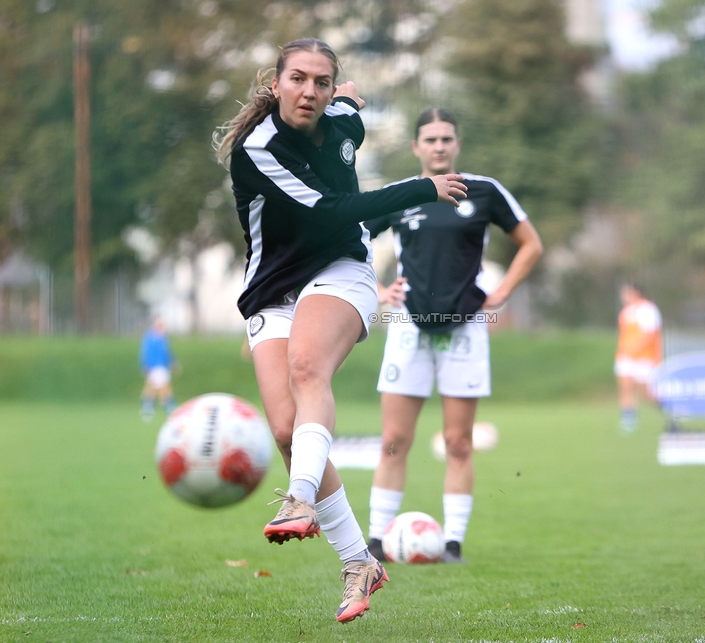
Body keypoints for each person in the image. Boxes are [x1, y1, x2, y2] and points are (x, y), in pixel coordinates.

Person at [214, 39, 468, 623]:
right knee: (285, 428)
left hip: (342, 271)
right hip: (272, 288)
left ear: (334, 91)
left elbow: (344, 211)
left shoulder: (345, 118)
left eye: (322, 83)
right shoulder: (258, 149)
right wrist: (421, 186)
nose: (309, 91)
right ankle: (360, 561)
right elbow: (330, 209)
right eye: (297, 79)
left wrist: (349, 99)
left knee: (308, 367)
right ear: (275, 84)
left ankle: (300, 496)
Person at [362, 108, 543, 564]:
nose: (439, 146)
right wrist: (377, 290)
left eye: (446, 138)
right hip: (407, 326)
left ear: (457, 144)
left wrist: (501, 292)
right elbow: (353, 238)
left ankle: (454, 543)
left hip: (465, 327)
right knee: (393, 440)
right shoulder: (400, 195)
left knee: (458, 442)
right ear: (416, 147)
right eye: (430, 139)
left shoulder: (484, 191)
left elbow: (531, 243)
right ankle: (377, 541)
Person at [614, 283, 663, 432]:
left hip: (645, 358)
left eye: (626, 293)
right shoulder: (625, 312)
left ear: (635, 293)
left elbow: (650, 334)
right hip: (626, 356)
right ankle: (629, 420)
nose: (623, 296)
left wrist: (635, 347)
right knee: (625, 387)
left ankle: (670, 410)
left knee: (645, 392)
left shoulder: (648, 309)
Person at [139, 317, 177, 421]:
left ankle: (150, 407)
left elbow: (167, 352)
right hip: (153, 367)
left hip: (162, 367)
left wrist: (172, 362)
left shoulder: (163, 338)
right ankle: (166, 408)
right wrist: (144, 365)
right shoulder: (150, 337)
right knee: (158, 388)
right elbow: (145, 352)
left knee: (156, 388)